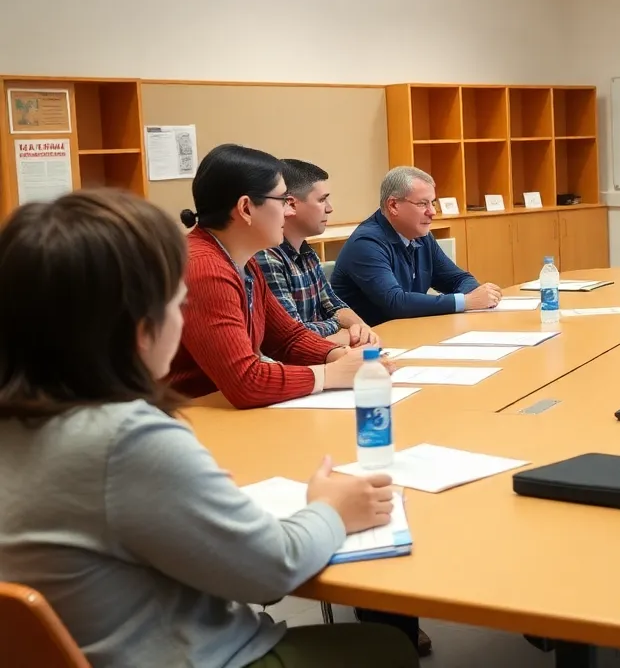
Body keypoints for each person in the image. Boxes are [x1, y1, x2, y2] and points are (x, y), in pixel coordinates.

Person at [0, 189, 416, 668]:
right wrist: (331, 509)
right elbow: (270, 572)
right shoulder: (127, 439)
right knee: (385, 648)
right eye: (178, 305)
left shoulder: (32, 419)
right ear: (141, 328)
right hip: (195, 657)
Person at [168, 144, 376, 409]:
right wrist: (330, 374)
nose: (289, 211)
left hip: (218, 410)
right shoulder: (204, 268)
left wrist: (339, 355)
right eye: (282, 201)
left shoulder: (244, 260)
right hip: (184, 415)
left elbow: (287, 339)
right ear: (246, 208)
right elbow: (246, 382)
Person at [332, 166, 502, 324]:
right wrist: (465, 301)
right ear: (393, 205)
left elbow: (460, 279)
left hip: (410, 330)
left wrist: (472, 298)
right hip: (371, 340)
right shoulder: (366, 243)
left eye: (432, 203)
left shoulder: (421, 236)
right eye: (422, 204)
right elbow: (395, 303)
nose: (432, 212)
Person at [255, 159, 379, 347]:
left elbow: (335, 305)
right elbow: (294, 332)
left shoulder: (308, 254)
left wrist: (360, 328)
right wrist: (341, 328)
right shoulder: (267, 257)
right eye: (322, 200)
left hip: (322, 350)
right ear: (291, 204)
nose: (329, 208)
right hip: (297, 359)